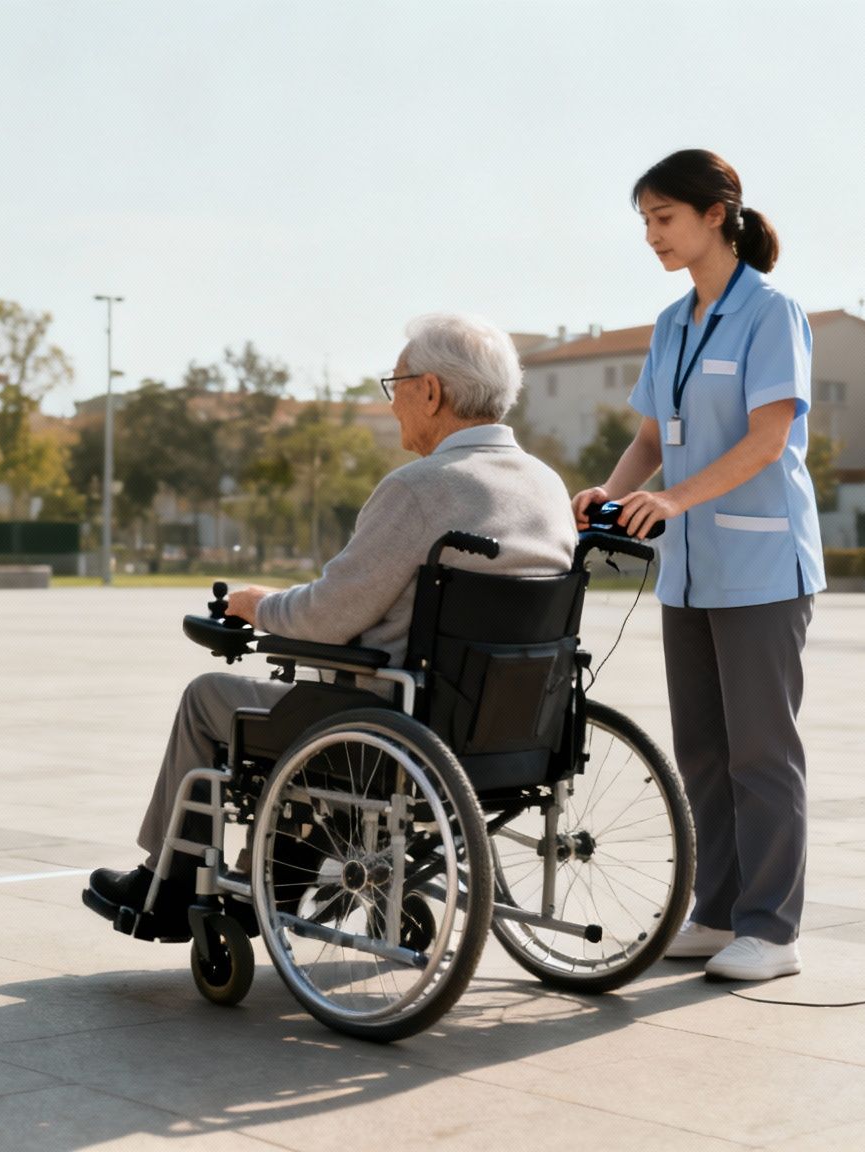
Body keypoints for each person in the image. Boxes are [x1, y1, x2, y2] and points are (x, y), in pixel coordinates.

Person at [87, 313, 577, 935]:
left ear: (431, 391)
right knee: (316, 709)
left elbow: (328, 616)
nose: (393, 399)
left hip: (393, 728)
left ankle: (169, 881)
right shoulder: (547, 485)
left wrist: (258, 605)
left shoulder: (421, 489)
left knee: (208, 696)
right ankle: (278, 871)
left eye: (396, 382)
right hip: (516, 732)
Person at [572, 149, 823, 982]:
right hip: (690, 573)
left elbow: (769, 438)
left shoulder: (770, 312)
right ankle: (716, 913)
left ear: (717, 214)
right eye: (644, 221)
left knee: (762, 753)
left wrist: (674, 503)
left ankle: (773, 929)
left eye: (664, 218)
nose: (652, 236)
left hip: (760, 565)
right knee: (705, 754)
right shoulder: (673, 324)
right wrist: (607, 496)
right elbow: (651, 438)